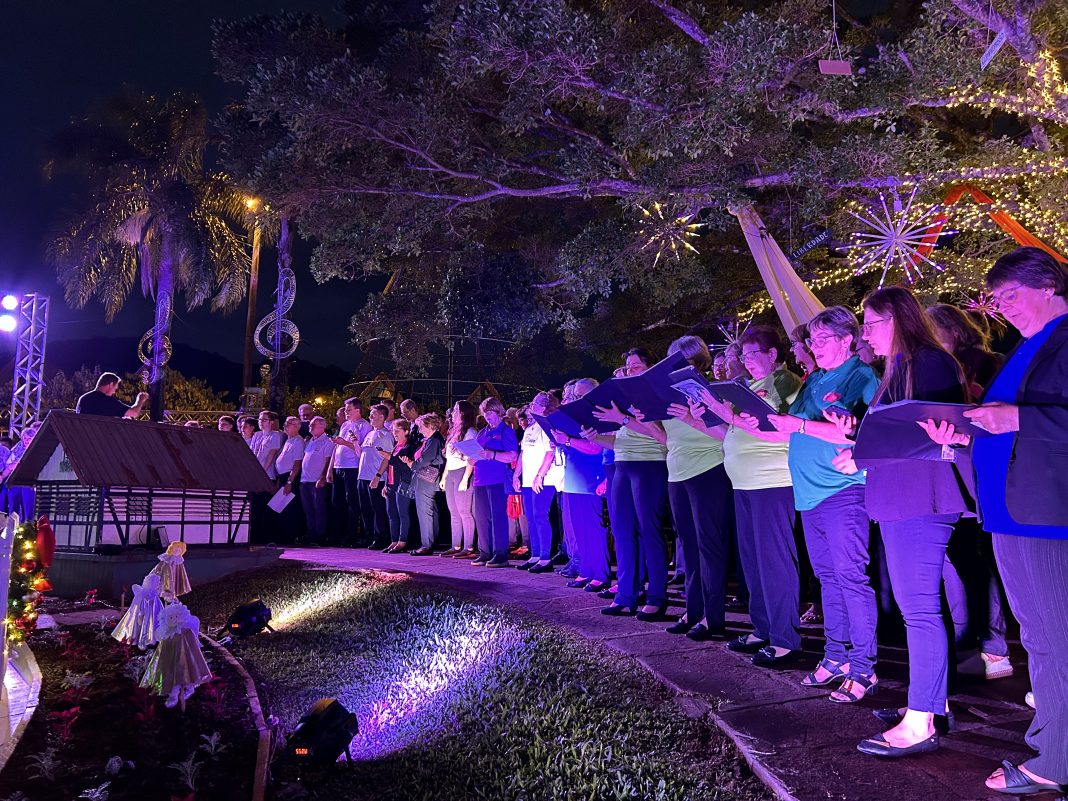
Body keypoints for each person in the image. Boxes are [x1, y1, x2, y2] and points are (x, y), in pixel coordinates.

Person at [923, 247, 1068, 794]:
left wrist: (1019, 418)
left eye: (1011, 294)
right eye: (996, 298)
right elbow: (1005, 428)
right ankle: (1050, 743)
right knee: (1039, 640)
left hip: (1050, 514)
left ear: (1049, 285)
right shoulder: (1026, 348)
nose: (1002, 307)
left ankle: (1058, 761)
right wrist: (963, 437)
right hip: (1009, 513)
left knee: (1058, 638)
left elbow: (1027, 422)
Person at [831, 287, 970, 757]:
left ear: (897, 319)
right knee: (922, 608)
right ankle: (931, 701)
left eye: (871, 324)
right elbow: (902, 430)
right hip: (902, 498)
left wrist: (862, 455)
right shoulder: (902, 366)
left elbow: (933, 434)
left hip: (920, 500)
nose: (865, 334)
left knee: (920, 611)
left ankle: (921, 720)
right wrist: (859, 437)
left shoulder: (928, 362)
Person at [756, 307, 881, 703]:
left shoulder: (861, 376)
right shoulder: (814, 380)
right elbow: (794, 431)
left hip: (843, 491)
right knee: (828, 580)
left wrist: (800, 425)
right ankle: (836, 656)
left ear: (847, 340)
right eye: (812, 340)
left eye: (823, 339)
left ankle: (864, 667)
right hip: (809, 496)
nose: (814, 346)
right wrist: (745, 418)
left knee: (851, 578)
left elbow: (864, 433)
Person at [701, 326, 804, 663]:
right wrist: (703, 416)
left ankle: (785, 639)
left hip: (771, 481)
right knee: (752, 562)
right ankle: (763, 628)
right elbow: (732, 431)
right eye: (742, 357)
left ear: (772, 354)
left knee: (775, 561)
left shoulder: (783, 380)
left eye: (752, 355)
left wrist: (725, 413)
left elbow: (779, 427)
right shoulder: (746, 387)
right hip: (743, 483)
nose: (746, 362)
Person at [645, 335, 736, 641]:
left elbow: (727, 434)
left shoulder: (708, 391)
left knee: (710, 546)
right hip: (677, 473)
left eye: (683, 361)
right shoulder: (668, 393)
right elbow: (668, 438)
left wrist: (688, 417)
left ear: (698, 361)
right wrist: (644, 420)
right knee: (688, 546)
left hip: (708, 470)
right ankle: (693, 610)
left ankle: (713, 616)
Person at [586, 348, 672, 621]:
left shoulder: (656, 394)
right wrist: (595, 437)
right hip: (622, 465)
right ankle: (626, 594)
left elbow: (660, 435)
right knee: (622, 531)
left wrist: (622, 419)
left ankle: (656, 596)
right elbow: (620, 441)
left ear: (649, 367)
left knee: (649, 529)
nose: (630, 370)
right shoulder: (625, 399)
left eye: (636, 366)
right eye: (628, 367)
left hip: (649, 465)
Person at [514, 392, 565, 573]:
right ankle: (535, 555)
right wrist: (516, 475)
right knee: (531, 517)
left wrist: (540, 475)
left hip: (543, 480)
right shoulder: (530, 428)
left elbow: (549, 453)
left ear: (543, 407)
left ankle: (545, 558)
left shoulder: (546, 425)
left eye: (534, 403)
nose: (531, 406)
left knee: (540, 516)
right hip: (528, 480)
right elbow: (523, 453)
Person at [470, 397, 519, 567]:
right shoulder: (482, 432)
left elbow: (512, 455)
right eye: (485, 413)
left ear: (498, 411)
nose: (487, 416)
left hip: (497, 478)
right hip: (479, 479)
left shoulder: (506, 431)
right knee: (482, 517)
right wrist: (469, 456)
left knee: (498, 517)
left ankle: (500, 554)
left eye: (490, 412)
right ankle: (485, 552)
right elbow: (475, 454)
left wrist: (492, 454)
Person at [927, 303, 1003, 396]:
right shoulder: (933, 358)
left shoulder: (980, 360)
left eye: (931, 327)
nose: (927, 333)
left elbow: (996, 398)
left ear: (955, 331)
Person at [327, 397, 372, 545]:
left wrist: (345, 443)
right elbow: (337, 447)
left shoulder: (364, 425)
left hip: (352, 467)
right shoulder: (345, 424)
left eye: (349, 409)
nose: (346, 412)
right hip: (338, 466)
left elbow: (362, 449)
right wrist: (330, 469)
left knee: (352, 502)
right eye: (345, 409)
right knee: (337, 501)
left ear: (357, 410)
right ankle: (337, 534)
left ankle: (351, 534)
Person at [404, 413, 446, 555]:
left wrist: (412, 464)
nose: (419, 429)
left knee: (424, 512)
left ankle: (426, 544)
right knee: (430, 511)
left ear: (430, 425)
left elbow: (426, 459)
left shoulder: (434, 440)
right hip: (428, 479)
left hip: (426, 479)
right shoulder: (433, 439)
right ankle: (431, 542)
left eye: (421, 426)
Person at [441, 400, 478, 558]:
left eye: (456, 410)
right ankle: (455, 544)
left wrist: (465, 478)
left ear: (463, 413)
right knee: (453, 511)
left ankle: (468, 547)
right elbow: (449, 458)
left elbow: (471, 457)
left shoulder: (470, 432)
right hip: (451, 472)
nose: (452, 414)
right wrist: (444, 477)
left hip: (463, 471)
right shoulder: (453, 432)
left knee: (464, 511)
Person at [357, 404, 394, 550]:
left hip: (376, 478)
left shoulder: (386, 435)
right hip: (363, 476)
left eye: (373, 414)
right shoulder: (370, 434)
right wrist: (354, 443)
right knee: (365, 508)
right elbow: (362, 454)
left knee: (377, 509)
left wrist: (378, 476)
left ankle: (380, 538)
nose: (370, 417)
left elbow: (387, 458)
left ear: (381, 416)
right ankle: (369, 536)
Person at [380, 418, 416, 553]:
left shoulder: (409, 447)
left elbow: (404, 465)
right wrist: (386, 484)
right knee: (392, 513)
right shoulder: (396, 446)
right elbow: (390, 467)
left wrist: (389, 456)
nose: (394, 433)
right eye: (393, 430)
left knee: (403, 513)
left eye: (397, 430)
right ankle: (394, 540)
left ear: (406, 431)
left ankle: (402, 541)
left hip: (402, 484)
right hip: (391, 484)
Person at [296, 416, 332, 544]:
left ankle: (320, 535)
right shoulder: (310, 441)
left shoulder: (327, 441)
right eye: (310, 424)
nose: (310, 427)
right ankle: (311, 533)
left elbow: (328, 460)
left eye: (313, 425)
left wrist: (323, 477)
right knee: (308, 509)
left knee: (319, 509)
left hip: (316, 480)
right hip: (305, 480)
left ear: (322, 426)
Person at [276, 416, 306, 542]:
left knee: (289, 508)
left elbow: (297, 463)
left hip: (290, 477)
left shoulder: (298, 441)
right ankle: (283, 534)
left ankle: (290, 536)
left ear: (296, 427)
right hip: (283, 476)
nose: (285, 426)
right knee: (280, 506)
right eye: (285, 424)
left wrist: (289, 481)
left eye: (288, 424)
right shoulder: (288, 440)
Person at [1, 422, 41, 519]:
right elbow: (9, 464)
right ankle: (13, 528)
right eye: (25, 438)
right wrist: (3, 476)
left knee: (28, 509)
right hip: (14, 481)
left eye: (30, 438)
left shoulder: (37, 448)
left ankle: (28, 527)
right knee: (13, 510)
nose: (27, 440)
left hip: (28, 482)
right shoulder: (18, 447)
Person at [75, 372, 149, 418]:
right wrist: (140, 400)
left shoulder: (83, 398)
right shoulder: (107, 401)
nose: (114, 392)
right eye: (115, 389)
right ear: (111, 384)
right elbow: (134, 412)